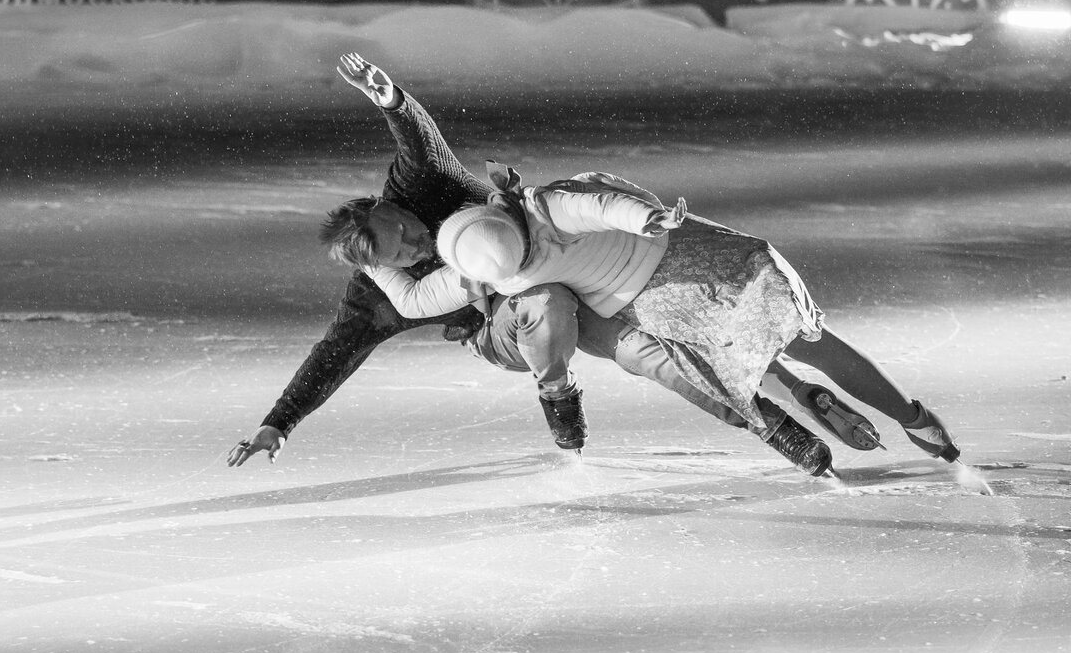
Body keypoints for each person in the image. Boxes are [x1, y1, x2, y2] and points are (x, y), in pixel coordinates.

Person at [228, 53, 845, 476]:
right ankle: (560, 392)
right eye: (407, 255)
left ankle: (769, 419)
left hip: (562, 271)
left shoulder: (420, 183)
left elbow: (419, 141)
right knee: (559, 311)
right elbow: (334, 352)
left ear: (388, 204)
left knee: (645, 349)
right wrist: (278, 423)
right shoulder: (380, 296)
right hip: (508, 324)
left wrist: (390, 98)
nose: (420, 244)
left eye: (409, 230)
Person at [346, 155, 961, 467]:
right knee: (798, 340)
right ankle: (913, 418)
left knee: (719, 359)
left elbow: (603, 209)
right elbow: (602, 206)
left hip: (655, 298)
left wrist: (645, 217)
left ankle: (798, 395)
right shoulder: (531, 217)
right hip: (688, 263)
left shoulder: (513, 238)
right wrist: (650, 219)